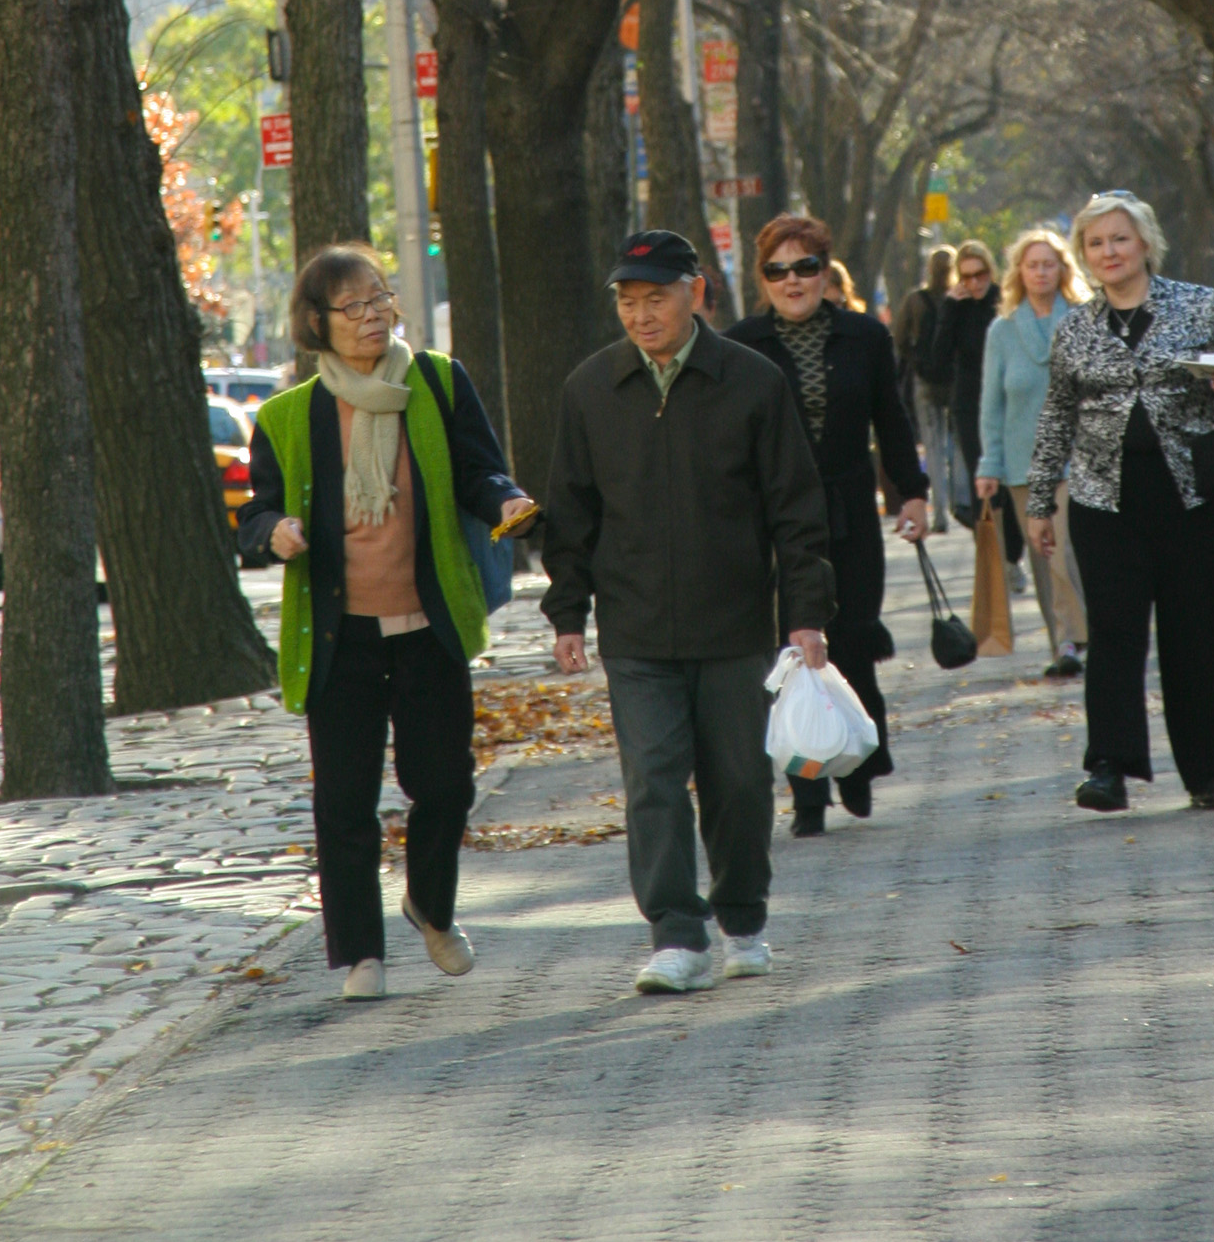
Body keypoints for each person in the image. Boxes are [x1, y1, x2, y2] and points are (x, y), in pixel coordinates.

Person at [542, 229, 836, 994]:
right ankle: (675, 933)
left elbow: (796, 509)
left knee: (739, 781)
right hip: (635, 629)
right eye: (628, 303)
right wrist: (567, 614)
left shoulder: (751, 381)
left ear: (694, 293)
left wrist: (805, 613)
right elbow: (571, 516)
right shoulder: (591, 389)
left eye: (656, 299)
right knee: (654, 780)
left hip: (734, 623)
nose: (641, 316)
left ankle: (742, 916)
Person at [238, 245, 535, 1000]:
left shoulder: (436, 381)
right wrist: (274, 531)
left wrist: (503, 499)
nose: (374, 316)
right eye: (354, 306)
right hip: (342, 636)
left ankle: (429, 906)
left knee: (444, 787)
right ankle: (360, 956)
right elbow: (255, 513)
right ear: (317, 323)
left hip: (429, 624)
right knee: (344, 802)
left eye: (381, 299)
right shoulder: (286, 417)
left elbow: (478, 468)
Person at [1023, 190, 1214, 813]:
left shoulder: (1198, 306)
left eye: (1119, 239)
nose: (1109, 252)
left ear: (1145, 242)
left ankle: (1208, 771)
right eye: (1095, 244)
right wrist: (1040, 501)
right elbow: (1055, 418)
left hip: (1191, 496)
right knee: (1115, 633)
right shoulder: (1075, 329)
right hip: (1105, 499)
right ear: (1085, 256)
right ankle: (1109, 766)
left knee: (1198, 632)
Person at [731, 215, 929, 838]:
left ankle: (860, 763)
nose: (792, 281)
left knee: (853, 639)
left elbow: (891, 421)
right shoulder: (741, 346)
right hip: (776, 523)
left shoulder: (865, 337)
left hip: (848, 509)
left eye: (805, 266)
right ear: (763, 279)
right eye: (777, 270)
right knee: (794, 654)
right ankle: (807, 791)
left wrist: (913, 495)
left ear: (825, 271)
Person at [975, 227, 1089, 680]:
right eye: (1032, 264)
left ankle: (1079, 634)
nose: (1040, 272)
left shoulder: (1083, 321)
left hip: (1079, 459)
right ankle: (1063, 642)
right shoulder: (1002, 332)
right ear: (1018, 272)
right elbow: (992, 404)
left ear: (1062, 269)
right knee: (1044, 559)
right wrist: (989, 465)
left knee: (1067, 551)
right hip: (1024, 465)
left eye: (1048, 264)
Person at [929, 238, 1025, 582]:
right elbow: (937, 363)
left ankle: (1013, 554)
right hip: (969, 404)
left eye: (980, 274)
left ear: (990, 270)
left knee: (1011, 476)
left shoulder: (1005, 301)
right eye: (966, 277)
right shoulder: (957, 307)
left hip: (1007, 401)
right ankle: (991, 555)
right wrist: (949, 311)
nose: (974, 283)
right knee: (982, 481)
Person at [895, 245, 957, 531]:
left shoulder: (914, 300)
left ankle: (940, 513)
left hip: (925, 382)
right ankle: (961, 504)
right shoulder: (957, 299)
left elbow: (900, 339)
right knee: (956, 447)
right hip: (955, 381)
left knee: (932, 448)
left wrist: (916, 362)